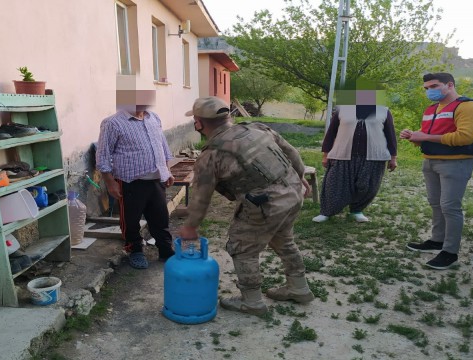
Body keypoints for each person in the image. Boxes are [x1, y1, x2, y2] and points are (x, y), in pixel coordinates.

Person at [179, 96, 314, 316]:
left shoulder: (211, 155)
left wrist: (191, 226)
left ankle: (252, 302)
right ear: (228, 116)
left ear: (198, 123)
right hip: (292, 193)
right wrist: (300, 178)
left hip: (266, 205)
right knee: (283, 239)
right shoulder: (258, 128)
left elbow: (201, 198)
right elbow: (293, 154)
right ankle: (298, 287)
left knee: (242, 248)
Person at [401, 72, 473, 270]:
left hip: (455, 164)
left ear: (449, 85)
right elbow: (429, 136)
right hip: (430, 162)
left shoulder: (469, 106)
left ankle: (450, 252)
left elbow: (464, 137)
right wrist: (414, 137)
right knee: (436, 204)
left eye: (434, 86)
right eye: (427, 88)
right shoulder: (431, 109)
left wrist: (425, 137)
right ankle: (437, 240)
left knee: (450, 207)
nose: (430, 91)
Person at [96, 79, 175, 269]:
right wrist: (110, 183)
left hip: (156, 180)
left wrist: (167, 170)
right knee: (131, 220)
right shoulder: (113, 123)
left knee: (160, 218)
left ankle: (165, 250)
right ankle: (135, 250)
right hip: (130, 181)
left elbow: (161, 146)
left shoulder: (153, 118)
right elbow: (103, 154)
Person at [313, 81, 397, 223]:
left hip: (373, 157)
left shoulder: (384, 111)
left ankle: (356, 211)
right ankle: (326, 212)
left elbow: (390, 135)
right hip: (342, 154)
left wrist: (393, 157)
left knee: (367, 186)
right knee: (334, 184)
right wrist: (326, 154)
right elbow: (331, 133)